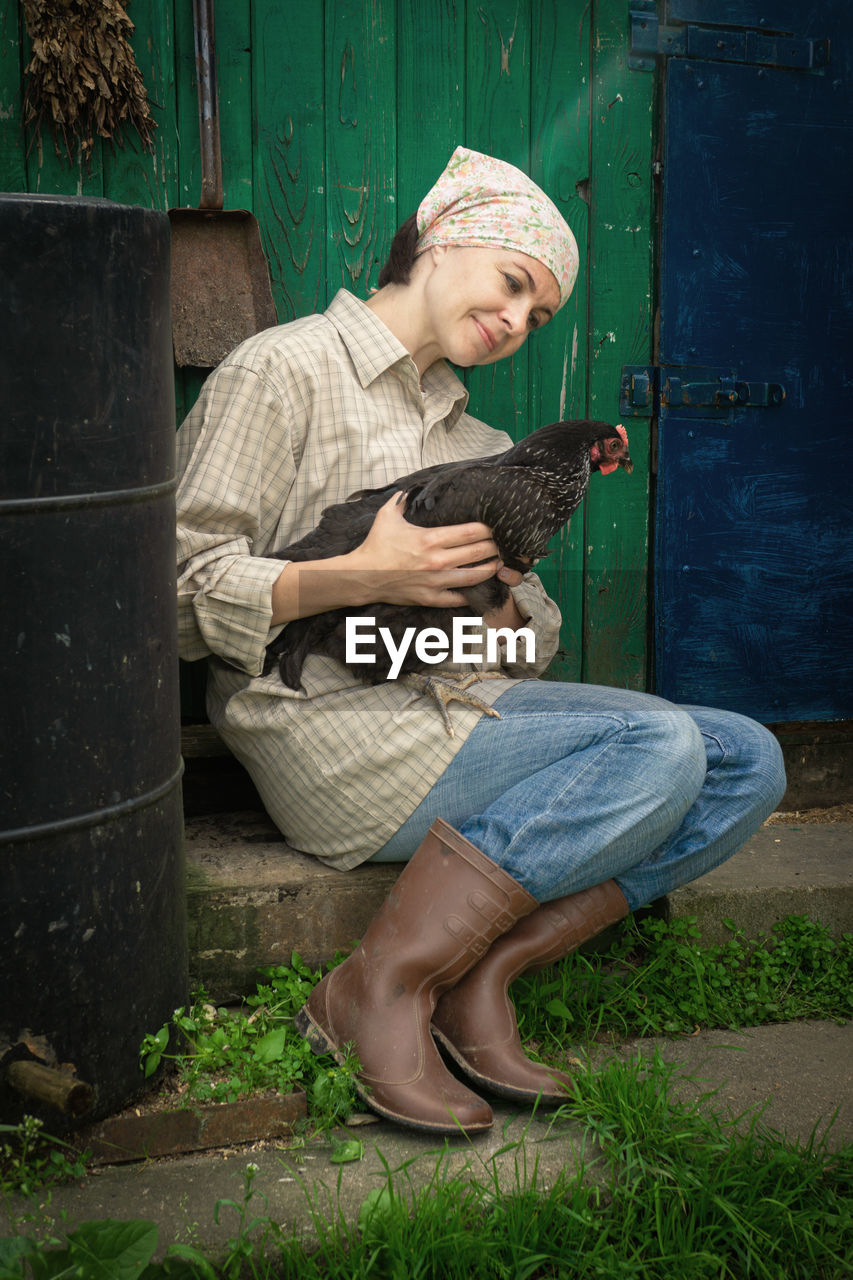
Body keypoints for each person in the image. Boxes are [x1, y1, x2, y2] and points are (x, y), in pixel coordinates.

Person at [176, 146, 787, 1135]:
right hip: (330, 730)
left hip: (462, 705)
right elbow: (174, 595)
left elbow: (530, 638)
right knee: (661, 742)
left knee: (746, 759)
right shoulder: (281, 371)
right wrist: (365, 576)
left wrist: (499, 616)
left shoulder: (481, 445)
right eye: (511, 282)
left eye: (536, 315)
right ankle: (376, 987)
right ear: (440, 238)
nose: (514, 319)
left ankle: (479, 975)